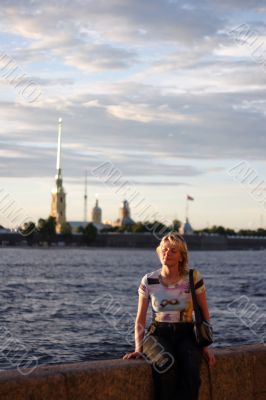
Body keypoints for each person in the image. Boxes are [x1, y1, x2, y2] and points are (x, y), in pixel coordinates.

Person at [123, 231, 215, 400]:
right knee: (165, 367)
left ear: (181, 256)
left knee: (191, 368)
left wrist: (205, 346)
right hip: (158, 333)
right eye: (164, 250)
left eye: (173, 250)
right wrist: (138, 348)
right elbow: (140, 319)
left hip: (186, 333)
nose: (167, 253)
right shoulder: (148, 280)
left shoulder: (193, 278)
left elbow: (204, 312)